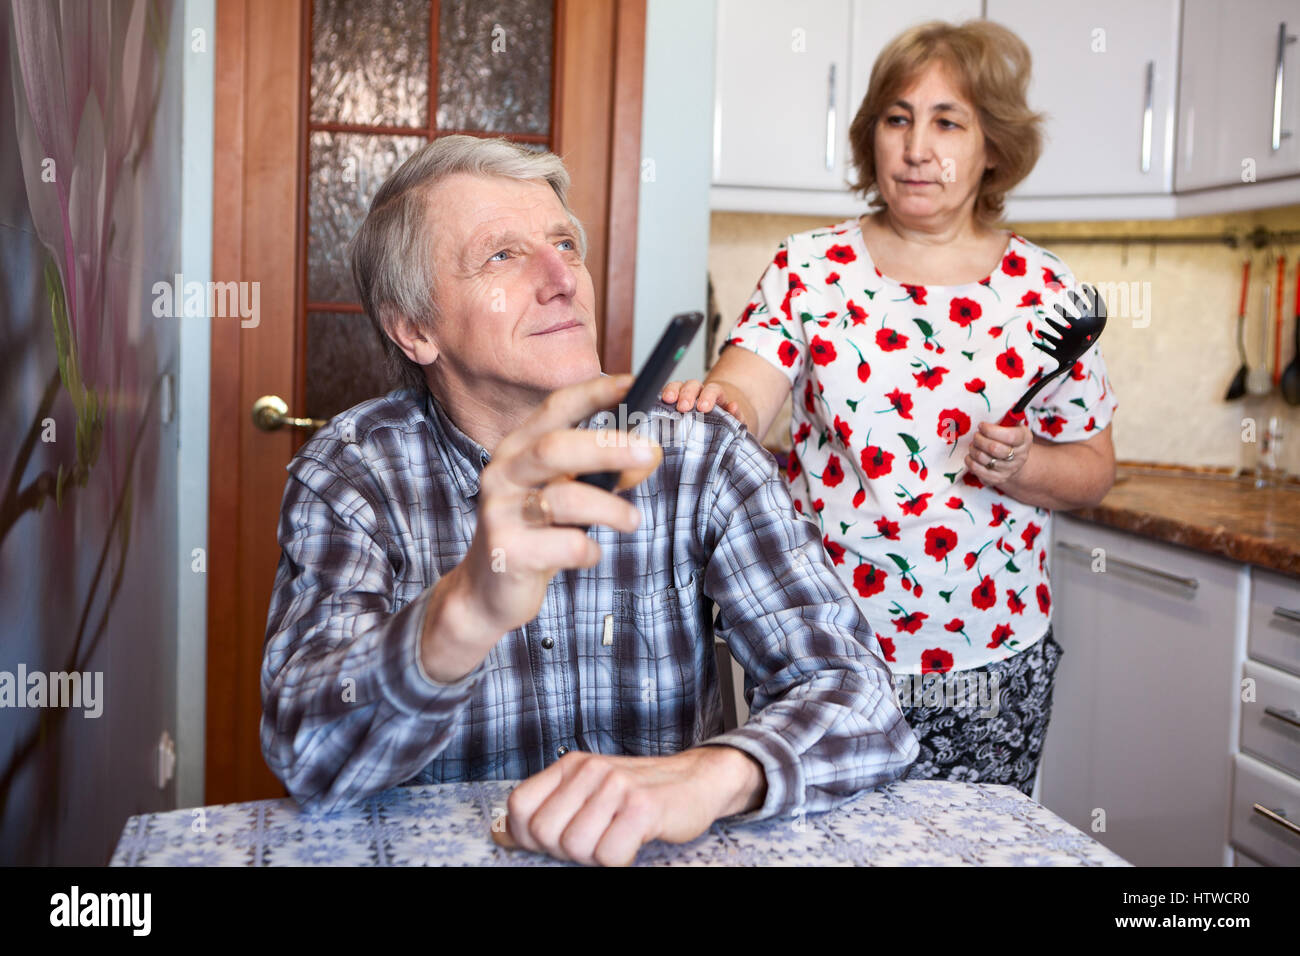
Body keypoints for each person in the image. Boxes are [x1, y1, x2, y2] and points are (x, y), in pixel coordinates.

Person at [260, 135, 919, 867]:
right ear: (415, 328)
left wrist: (713, 776)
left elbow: (862, 699)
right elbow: (307, 755)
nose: (561, 279)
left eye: (565, 244)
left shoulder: (698, 453)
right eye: (502, 256)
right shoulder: (352, 474)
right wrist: (464, 612)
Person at [663, 20, 1117, 795]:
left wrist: (1026, 462)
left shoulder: (1047, 291)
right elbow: (747, 386)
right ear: (871, 134)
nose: (916, 146)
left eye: (949, 122)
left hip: (990, 654)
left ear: (993, 147)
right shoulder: (810, 267)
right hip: (820, 650)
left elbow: (1095, 471)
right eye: (897, 118)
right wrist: (719, 400)